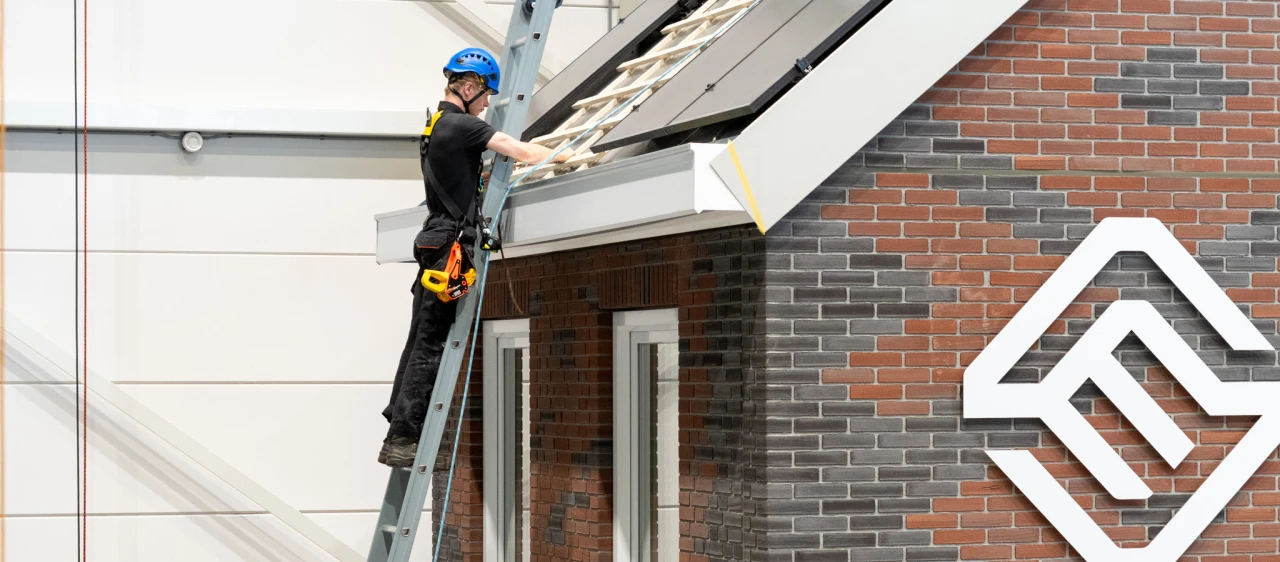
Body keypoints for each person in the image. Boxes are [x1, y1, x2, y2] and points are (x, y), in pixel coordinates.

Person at [379, 47, 573, 467]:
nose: (487, 104)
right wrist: (565, 155)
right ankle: (404, 438)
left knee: (419, 338)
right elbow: (518, 150)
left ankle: (399, 426)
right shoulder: (463, 125)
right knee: (431, 343)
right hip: (450, 243)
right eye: (485, 95)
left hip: (435, 238)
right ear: (468, 87)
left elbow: (460, 176)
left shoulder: (437, 125)